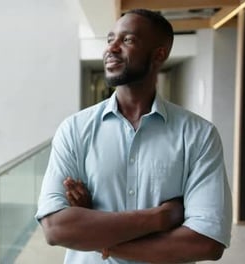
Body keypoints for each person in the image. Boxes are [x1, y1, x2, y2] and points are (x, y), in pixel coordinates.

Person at [35, 8, 232, 264]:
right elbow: (56, 228)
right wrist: (160, 218)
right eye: (110, 39)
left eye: (127, 40)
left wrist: (97, 236)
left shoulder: (199, 136)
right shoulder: (74, 130)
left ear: (159, 54)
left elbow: (207, 243)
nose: (111, 48)